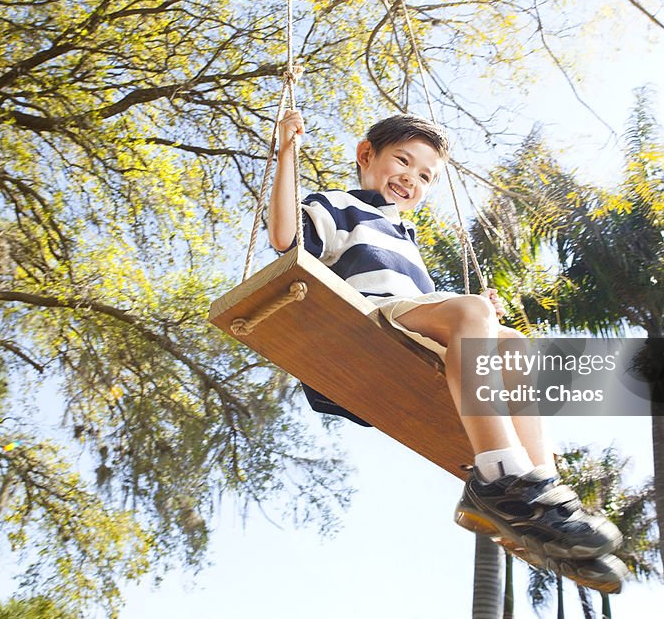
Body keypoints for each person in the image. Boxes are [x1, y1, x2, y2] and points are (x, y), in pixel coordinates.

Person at [268, 109, 628, 592]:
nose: (411, 179)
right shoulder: (335, 207)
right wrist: (287, 149)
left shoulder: (406, 237)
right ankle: (501, 479)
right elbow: (286, 240)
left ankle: (545, 498)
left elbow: (439, 314)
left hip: (412, 333)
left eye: (425, 176)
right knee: (471, 311)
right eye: (403, 161)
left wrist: (477, 318)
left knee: (513, 343)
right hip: (367, 327)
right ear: (365, 155)